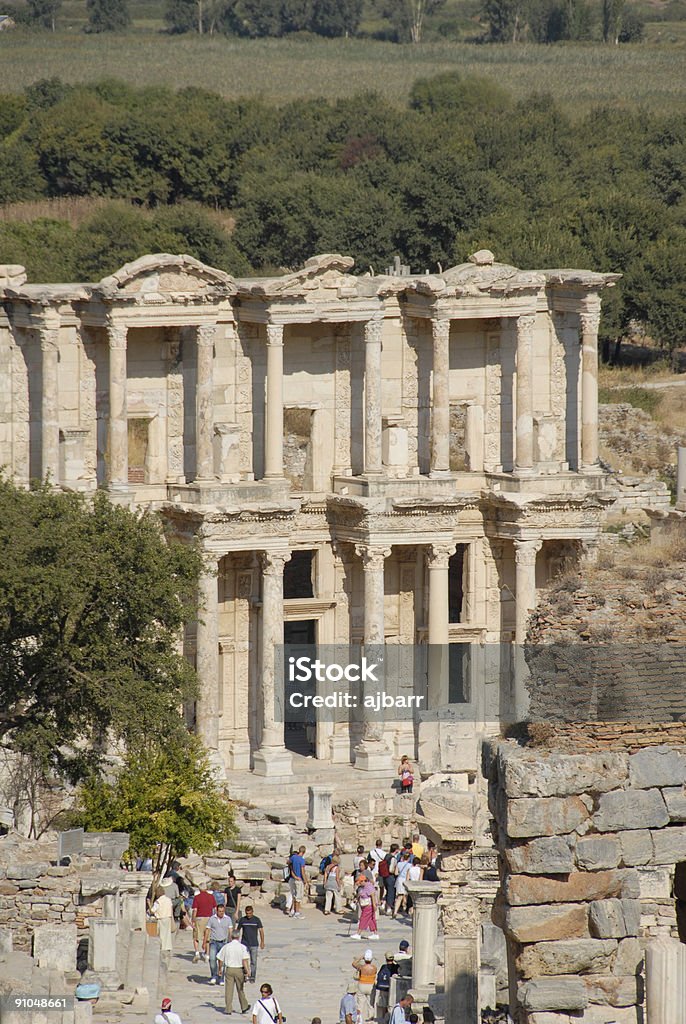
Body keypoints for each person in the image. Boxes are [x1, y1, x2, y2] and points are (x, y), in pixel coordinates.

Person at [217, 928, 251, 1015]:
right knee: (240, 989)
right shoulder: (242, 947)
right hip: (239, 969)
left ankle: (228, 1009)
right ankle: (244, 1006)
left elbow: (220, 959)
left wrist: (220, 969)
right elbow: (244, 961)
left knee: (229, 990)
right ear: (238, 937)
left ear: (231, 936)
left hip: (229, 969)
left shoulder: (226, 946)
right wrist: (248, 971)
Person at [205, 902, 232, 984]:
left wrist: (231, 941)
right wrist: (205, 942)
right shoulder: (212, 919)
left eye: (222, 911)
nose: (221, 913)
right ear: (216, 911)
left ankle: (221, 978)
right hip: (213, 942)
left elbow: (230, 930)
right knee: (212, 959)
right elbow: (207, 930)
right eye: (220, 911)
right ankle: (214, 975)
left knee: (222, 962)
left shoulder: (228, 919)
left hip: (224, 942)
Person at [237, 904, 265, 983]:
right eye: (247, 913)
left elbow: (261, 931)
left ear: (252, 912)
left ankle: (252, 976)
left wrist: (262, 941)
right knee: (244, 960)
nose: (248, 915)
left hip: (254, 943)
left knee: (253, 961)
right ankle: (245, 975)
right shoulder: (242, 920)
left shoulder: (256, 920)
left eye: (250, 913)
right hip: (244, 943)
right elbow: (238, 930)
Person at [192, 882, 217, 962]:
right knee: (208, 938)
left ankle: (197, 953)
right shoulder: (211, 896)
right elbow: (215, 908)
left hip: (199, 918)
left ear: (199, 889)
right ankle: (207, 955)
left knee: (196, 937)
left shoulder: (197, 897)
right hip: (209, 918)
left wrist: (193, 919)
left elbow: (195, 910)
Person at [352, 871, 379, 940]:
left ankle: (358, 933)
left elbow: (372, 895)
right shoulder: (362, 887)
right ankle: (375, 933)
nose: (359, 884)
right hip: (364, 905)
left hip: (368, 905)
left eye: (360, 882)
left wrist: (374, 905)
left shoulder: (368, 886)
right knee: (371, 920)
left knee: (363, 919)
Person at [352, 949, 377, 1022]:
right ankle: (370, 1017)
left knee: (360, 1003)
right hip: (371, 985)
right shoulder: (374, 968)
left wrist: (360, 957)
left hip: (362, 984)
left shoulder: (361, 967)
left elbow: (353, 963)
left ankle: (359, 1018)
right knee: (371, 1003)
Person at [374, 952, 398, 1024]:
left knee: (384, 1005)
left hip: (384, 988)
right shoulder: (396, 967)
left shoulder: (383, 966)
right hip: (392, 989)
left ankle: (385, 1018)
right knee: (391, 1004)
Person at [151, 884, 174, 954]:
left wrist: (149, 904)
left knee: (161, 933)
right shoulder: (168, 899)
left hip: (161, 918)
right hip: (168, 917)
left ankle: (163, 946)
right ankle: (168, 946)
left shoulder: (158, 901)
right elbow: (171, 908)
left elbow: (152, 910)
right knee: (167, 933)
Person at [288, 845, 308, 918]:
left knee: (294, 895)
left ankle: (292, 910)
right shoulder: (302, 860)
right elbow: (302, 872)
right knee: (298, 897)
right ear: (304, 852)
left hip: (292, 879)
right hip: (298, 879)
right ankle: (297, 913)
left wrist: (292, 873)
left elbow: (288, 863)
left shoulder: (293, 857)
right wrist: (305, 881)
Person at [379, 845, 398, 916]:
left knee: (387, 891)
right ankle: (389, 908)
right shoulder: (393, 858)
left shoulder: (386, 856)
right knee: (391, 892)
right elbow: (391, 870)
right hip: (390, 876)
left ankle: (383, 904)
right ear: (396, 850)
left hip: (384, 876)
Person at [393, 852, 412, 917]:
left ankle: (395, 911)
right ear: (409, 858)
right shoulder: (409, 865)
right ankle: (404, 910)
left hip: (399, 880)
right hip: (405, 880)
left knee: (399, 896)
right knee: (405, 896)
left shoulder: (399, 864)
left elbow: (396, 873)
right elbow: (408, 875)